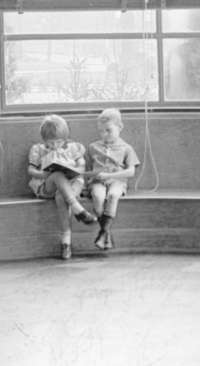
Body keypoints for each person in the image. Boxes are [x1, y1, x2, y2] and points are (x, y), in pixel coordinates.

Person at [27, 114, 97, 260]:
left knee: (61, 195)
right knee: (58, 174)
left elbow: (82, 166)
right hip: (48, 185)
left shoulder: (73, 148)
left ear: (65, 137)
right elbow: (31, 170)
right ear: (43, 138)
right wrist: (45, 175)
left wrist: (74, 172)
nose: (54, 145)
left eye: (58, 142)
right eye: (50, 142)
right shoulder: (38, 149)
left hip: (73, 183)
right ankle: (79, 210)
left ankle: (66, 243)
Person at [86, 108, 140, 250]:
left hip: (117, 181)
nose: (104, 134)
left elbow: (130, 172)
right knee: (98, 196)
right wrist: (91, 175)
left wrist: (110, 176)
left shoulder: (126, 148)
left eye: (108, 130)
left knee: (112, 195)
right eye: (101, 131)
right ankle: (105, 234)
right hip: (98, 182)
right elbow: (88, 169)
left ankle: (103, 232)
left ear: (119, 127)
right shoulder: (93, 147)